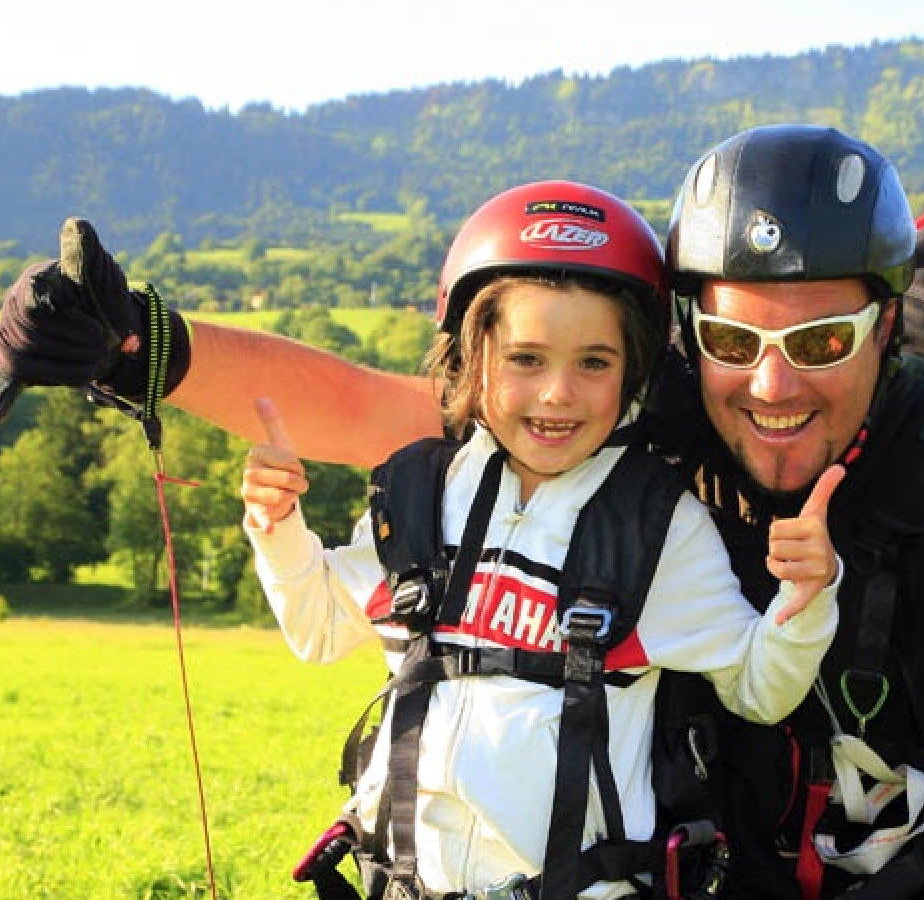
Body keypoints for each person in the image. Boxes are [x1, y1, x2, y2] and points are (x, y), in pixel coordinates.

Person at [0, 125, 924, 900]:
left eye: (826, 340)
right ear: (691, 330)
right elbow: (388, 415)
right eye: (736, 343)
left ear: (890, 327)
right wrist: (136, 349)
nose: (774, 387)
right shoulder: (657, 408)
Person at [240, 181, 843, 900]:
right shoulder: (418, 495)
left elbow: (759, 685)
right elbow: (320, 629)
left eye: (594, 363)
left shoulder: (655, 526)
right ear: (472, 357)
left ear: (635, 373)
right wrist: (277, 531)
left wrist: (807, 600)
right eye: (526, 359)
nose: (558, 394)